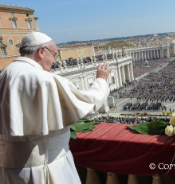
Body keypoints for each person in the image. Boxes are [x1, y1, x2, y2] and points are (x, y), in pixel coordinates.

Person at [0, 32, 113, 184]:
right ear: (41, 51)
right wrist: (100, 80)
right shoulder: (46, 80)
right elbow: (86, 105)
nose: (54, 62)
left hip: (8, 171)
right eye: (54, 54)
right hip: (46, 167)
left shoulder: (4, 75)